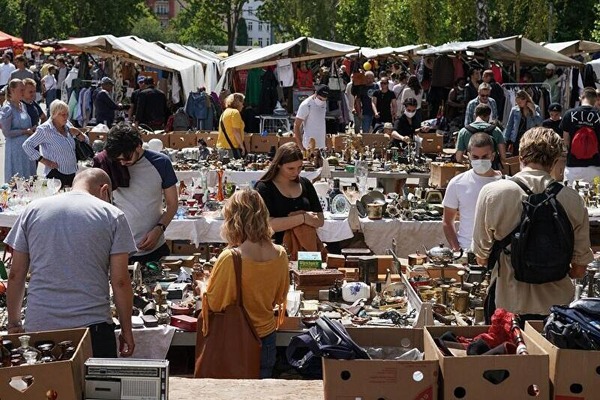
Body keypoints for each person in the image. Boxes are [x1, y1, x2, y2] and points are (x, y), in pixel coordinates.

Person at [5, 168, 137, 358]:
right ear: (105, 190)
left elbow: (16, 274)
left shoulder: (32, 210)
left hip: (41, 325)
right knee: (97, 388)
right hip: (93, 327)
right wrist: (127, 331)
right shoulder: (112, 215)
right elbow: (120, 281)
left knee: (47, 386)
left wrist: (14, 323)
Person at [472, 127, 593, 321]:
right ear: (555, 161)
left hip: (508, 304)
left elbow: (481, 258)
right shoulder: (573, 200)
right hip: (555, 310)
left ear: (520, 155)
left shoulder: (493, 193)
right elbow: (579, 269)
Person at [203, 189, 289, 378]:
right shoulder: (280, 254)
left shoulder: (230, 258)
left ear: (234, 220)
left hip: (235, 339)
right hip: (266, 335)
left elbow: (215, 304)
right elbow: (279, 297)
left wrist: (203, 287)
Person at [97, 123, 178, 263]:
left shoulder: (160, 163)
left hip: (154, 247)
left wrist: (159, 230)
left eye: (127, 158)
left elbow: (172, 204)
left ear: (138, 146)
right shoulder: (109, 164)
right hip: (119, 250)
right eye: (118, 159)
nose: (122, 163)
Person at [255, 142, 324, 245]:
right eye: (290, 168)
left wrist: (289, 221)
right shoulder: (264, 188)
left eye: (300, 167)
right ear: (278, 165)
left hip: (306, 249)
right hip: (274, 248)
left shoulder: (305, 184)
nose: (296, 172)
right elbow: (267, 224)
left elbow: (320, 220)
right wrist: (303, 217)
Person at [443, 133, 502, 252]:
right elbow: (447, 222)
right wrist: (457, 249)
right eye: (475, 157)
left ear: (493, 156)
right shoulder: (457, 183)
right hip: (467, 251)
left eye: (485, 156)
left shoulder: (506, 183)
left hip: (498, 254)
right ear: (468, 156)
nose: (480, 161)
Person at [22, 100, 89, 187]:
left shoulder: (68, 124)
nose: (66, 117)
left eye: (67, 114)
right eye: (62, 114)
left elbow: (86, 141)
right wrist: (44, 160)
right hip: (56, 173)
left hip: (72, 171)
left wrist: (78, 133)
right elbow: (27, 145)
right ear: (54, 114)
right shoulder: (44, 129)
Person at [559, 87, 600, 183]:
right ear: (595, 100)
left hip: (573, 166)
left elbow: (566, 141)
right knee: (594, 196)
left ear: (581, 97)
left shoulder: (569, 114)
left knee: (571, 196)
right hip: (595, 166)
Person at [0, 79, 36, 181]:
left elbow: (26, 124)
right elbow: (6, 133)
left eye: (24, 89)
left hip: (27, 148)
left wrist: (32, 129)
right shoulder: (7, 108)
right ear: (12, 90)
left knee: (29, 179)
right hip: (15, 150)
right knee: (17, 180)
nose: (23, 92)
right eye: (21, 89)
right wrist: (25, 131)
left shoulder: (23, 105)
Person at [455, 103, 506, 168]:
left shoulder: (463, 131)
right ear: (488, 116)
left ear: (474, 115)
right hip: (492, 171)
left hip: (473, 171)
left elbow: (458, 158)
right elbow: (503, 157)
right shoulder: (496, 130)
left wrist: (473, 159)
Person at [504, 90, 543, 155]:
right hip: (517, 138)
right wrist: (507, 140)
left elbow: (539, 123)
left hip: (530, 138)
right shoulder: (515, 110)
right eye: (517, 101)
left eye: (521, 100)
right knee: (517, 158)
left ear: (526, 99)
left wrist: (533, 111)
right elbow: (509, 125)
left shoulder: (536, 108)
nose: (519, 102)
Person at [294, 86, 328, 151]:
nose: (321, 101)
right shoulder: (306, 105)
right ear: (315, 93)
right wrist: (301, 147)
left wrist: (326, 142)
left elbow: (321, 122)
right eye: (320, 99)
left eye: (324, 100)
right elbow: (297, 125)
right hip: (308, 146)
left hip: (322, 146)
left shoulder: (324, 103)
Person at [216, 92, 246, 158]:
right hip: (230, 148)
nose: (243, 106)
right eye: (242, 103)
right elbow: (236, 131)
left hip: (221, 146)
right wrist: (242, 146)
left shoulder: (225, 112)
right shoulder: (235, 113)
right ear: (238, 103)